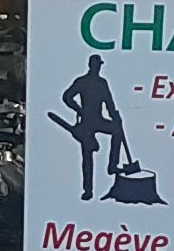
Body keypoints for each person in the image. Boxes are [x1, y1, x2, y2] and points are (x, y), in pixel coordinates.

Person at [50, 54, 130, 201]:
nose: (98, 67)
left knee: (116, 130)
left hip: (98, 119)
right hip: (86, 123)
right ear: (91, 65)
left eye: (99, 65)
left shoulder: (102, 83)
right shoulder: (82, 81)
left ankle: (112, 164)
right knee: (87, 156)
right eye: (96, 64)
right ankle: (88, 190)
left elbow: (109, 102)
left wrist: (115, 116)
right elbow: (67, 97)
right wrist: (78, 109)